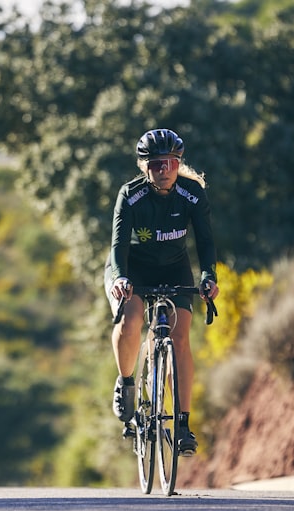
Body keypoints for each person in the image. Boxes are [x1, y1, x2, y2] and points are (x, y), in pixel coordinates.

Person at [105, 128, 220, 456]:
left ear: (178, 162)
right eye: (156, 164)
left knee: (180, 339)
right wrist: (120, 278)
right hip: (135, 267)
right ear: (145, 167)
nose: (164, 169)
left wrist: (209, 276)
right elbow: (118, 245)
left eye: (170, 162)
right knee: (131, 320)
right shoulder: (130, 195)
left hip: (174, 266)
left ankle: (183, 424)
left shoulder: (192, 193)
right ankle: (126, 383)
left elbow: (206, 241)